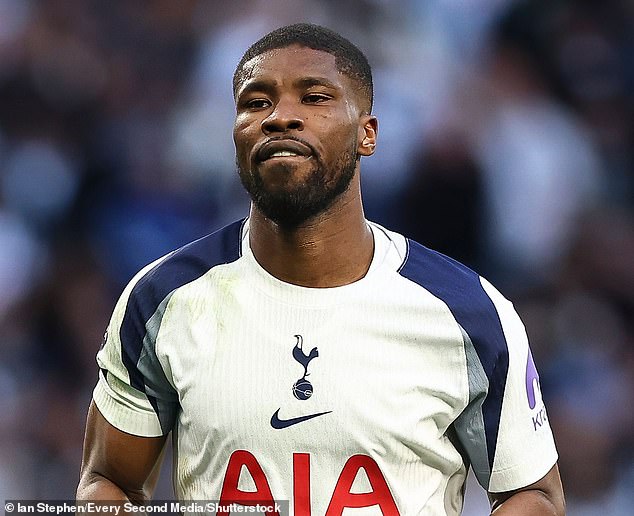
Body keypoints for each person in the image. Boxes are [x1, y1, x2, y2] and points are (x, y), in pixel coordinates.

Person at [77, 23, 565, 515]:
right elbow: (108, 481)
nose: (280, 117)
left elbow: (532, 494)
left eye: (314, 98)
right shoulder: (162, 299)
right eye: (257, 103)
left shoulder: (468, 312)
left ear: (366, 134)